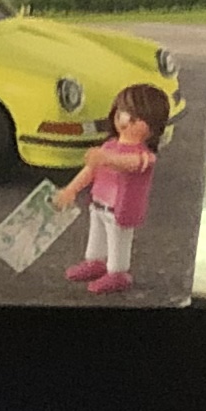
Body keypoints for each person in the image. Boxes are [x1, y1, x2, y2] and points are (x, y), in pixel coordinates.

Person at [59, 82, 174, 297]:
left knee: (117, 241)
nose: (124, 120)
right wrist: (71, 189)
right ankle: (95, 262)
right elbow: (89, 171)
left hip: (119, 210)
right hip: (98, 204)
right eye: (121, 113)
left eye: (135, 118)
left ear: (153, 126)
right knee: (96, 237)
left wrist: (105, 159)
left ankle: (117, 272)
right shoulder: (109, 146)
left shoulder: (144, 156)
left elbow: (129, 164)